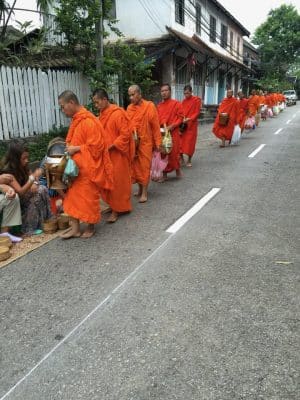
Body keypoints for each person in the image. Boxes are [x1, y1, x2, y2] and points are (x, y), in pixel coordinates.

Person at [58, 90, 113, 239]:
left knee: (88, 198)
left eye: (63, 107)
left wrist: (76, 148)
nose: (62, 110)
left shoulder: (88, 120)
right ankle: (75, 228)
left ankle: (90, 226)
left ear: (71, 103)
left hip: (88, 169)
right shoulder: (77, 120)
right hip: (75, 169)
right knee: (72, 198)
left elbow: (96, 147)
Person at [92, 88, 133, 223]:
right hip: (106, 155)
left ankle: (116, 210)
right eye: (95, 103)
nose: (96, 106)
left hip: (117, 154)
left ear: (105, 99)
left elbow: (125, 134)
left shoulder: (117, 113)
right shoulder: (101, 114)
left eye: (97, 102)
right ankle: (114, 205)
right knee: (107, 181)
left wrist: (113, 145)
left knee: (117, 182)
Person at [0, 141, 52, 235]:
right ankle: (28, 228)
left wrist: (34, 182)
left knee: (42, 189)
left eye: (27, 157)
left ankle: (45, 221)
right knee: (38, 194)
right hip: (16, 199)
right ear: (15, 159)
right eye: (24, 158)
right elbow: (20, 192)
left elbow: (33, 178)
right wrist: (32, 179)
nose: (27, 160)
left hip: (25, 196)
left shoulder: (24, 166)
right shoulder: (8, 171)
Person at [126, 84, 161, 203]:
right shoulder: (129, 109)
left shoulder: (149, 106)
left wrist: (158, 143)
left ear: (139, 94)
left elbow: (155, 126)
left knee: (144, 167)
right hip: (133, 143)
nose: (131, 98)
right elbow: (127, 126)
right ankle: (140, 189)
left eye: (133, 94)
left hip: (146, 142)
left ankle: (145, 192)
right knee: (135, 167)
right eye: (129, 95)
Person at [157, 83, 184, 179]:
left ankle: (177, 170)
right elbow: (157, 119)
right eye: (162, 91)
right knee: (163, 152)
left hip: (173, 132)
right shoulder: (159, 106)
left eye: (166, 90)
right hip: (163, 133)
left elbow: (181, 117)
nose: (164, 93)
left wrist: (172, 126)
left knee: (174, 152)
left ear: (170, 91)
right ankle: (164, 174)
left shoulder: (176, 104)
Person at [180, 85, 202, 167]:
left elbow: (197, 112)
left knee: (190, 143)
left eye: (188, 93)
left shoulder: (196, 100)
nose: (186, 95)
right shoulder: (183, 102)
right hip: (183, 125)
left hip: (192, 125)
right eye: (185, 93)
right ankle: (181, 158)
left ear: (191, 92)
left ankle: (189, 159)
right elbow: (181, 112)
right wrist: (182, 119)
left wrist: (190, 118)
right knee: (180, 143)